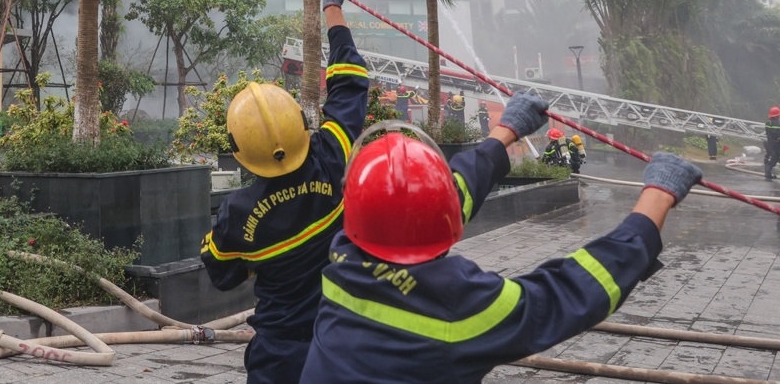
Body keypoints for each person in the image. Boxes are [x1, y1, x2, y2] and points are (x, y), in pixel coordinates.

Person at [300, 96, 704, 384]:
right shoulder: (459, 308)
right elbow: (571, 293)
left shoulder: (343, 255)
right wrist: (659, 195)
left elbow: (423, 204)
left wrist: (505, 132)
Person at [200, 0, 367, 384]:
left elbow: (221, 272)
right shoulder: (332, 156)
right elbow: (350, 81)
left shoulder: (237, 215)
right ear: (300, 123)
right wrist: (332, 6)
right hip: (345, 344)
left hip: (279, 359)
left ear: (240, 152)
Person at [764, 106, 780, 181]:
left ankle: (768, 173)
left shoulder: (768, 122)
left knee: (774, 157)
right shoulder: (777, 123)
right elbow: (776, 134)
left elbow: (769, 133)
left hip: (770, 143)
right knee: (775, 158)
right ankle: (767, 172)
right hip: (776, 144)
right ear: (777, 115)